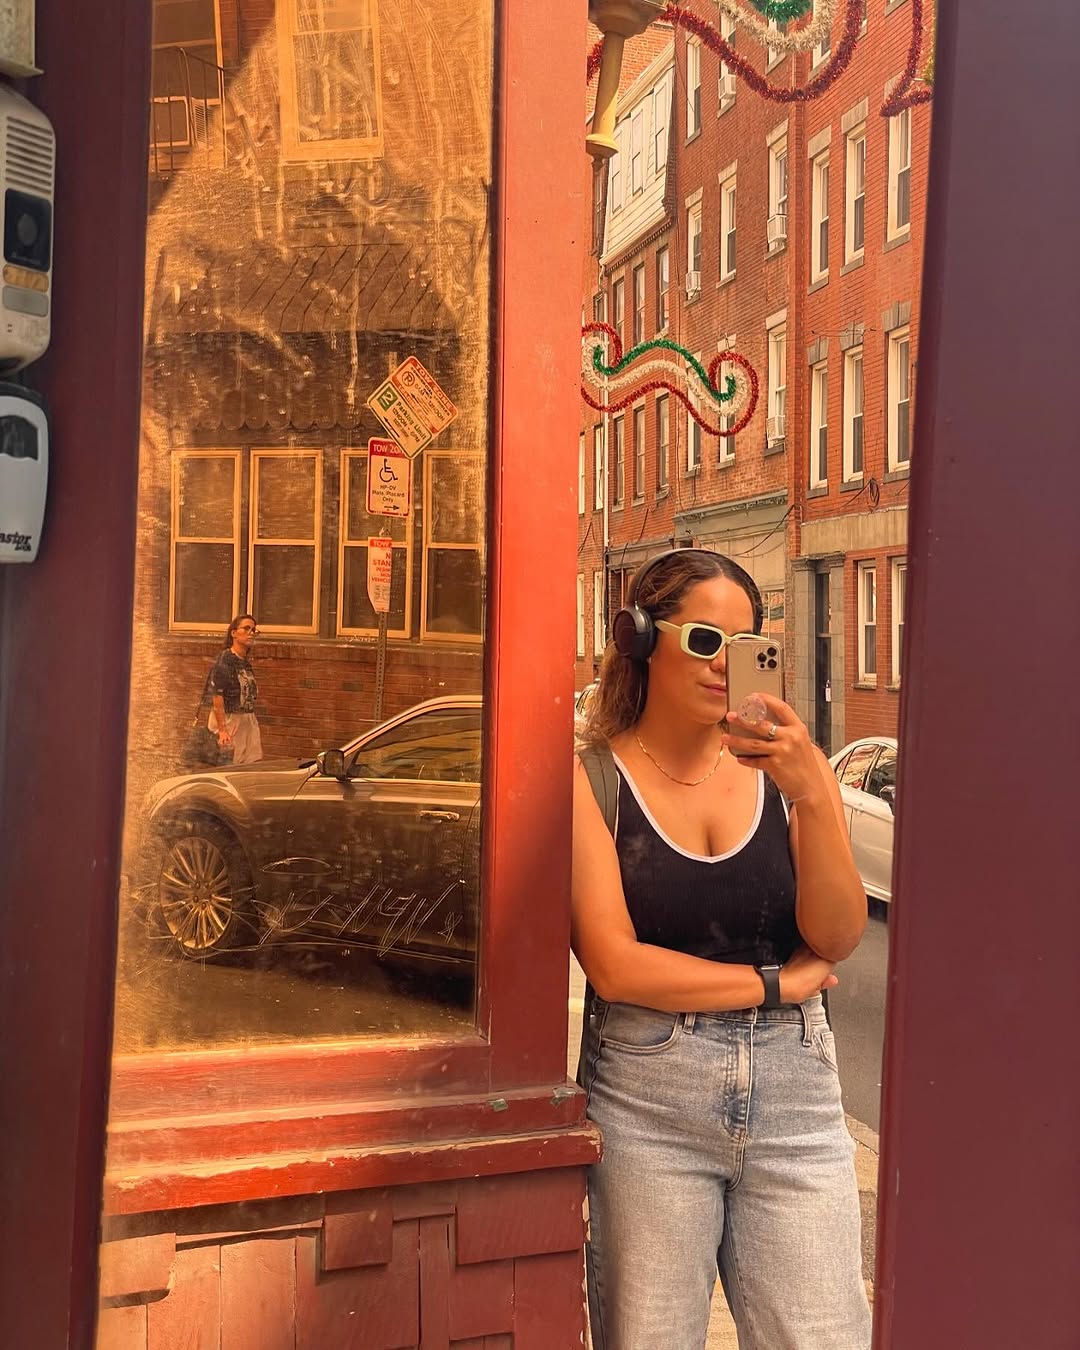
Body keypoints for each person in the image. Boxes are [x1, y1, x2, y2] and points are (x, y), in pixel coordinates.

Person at [573, 548, 871, 1350]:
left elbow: (838, 936)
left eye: (744, 647)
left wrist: (814, 792)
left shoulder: (783, 776)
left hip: (796, 1090)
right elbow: (614, 965)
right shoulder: (594, 780)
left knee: (822, 1335)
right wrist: (774, 987)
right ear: (640, 639)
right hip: (648, 1093)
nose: (724, 666)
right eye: (705, 640)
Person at [207, 613, 263, 765]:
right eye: (246, 628)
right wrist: (222, 730)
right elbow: (217, 695)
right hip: (230, 719)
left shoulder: (244, 662)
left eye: (254, 630)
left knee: (251, 764)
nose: (251, 633)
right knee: (230, 766)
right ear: (234, 633)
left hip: (247, 719)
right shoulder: (225, 660)